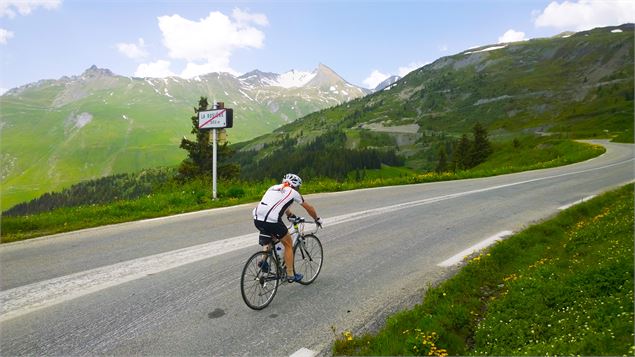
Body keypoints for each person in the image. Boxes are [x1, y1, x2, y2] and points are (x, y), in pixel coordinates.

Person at [253, 173, 323, 283]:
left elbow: (277, 203)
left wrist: (290, 214)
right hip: (272, 220)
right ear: (296, 186)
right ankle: (290, 274)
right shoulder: (294, 192)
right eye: (299, 187)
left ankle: (263, 261)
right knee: (288, 243)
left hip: (257, 218)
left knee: (272, 238)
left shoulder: (274, 187)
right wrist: (317, 219)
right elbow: (309, 208)